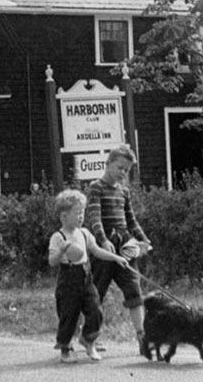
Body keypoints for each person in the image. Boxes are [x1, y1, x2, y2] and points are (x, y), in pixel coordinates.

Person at [84, 144, 153, 357]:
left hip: (125, 245)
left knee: (134, 289)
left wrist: (144, 239)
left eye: (127, 170)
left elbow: (131, 220)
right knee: (97, 294)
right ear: (108, 164)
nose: (123, 173)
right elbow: (94, 217)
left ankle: (142, 337)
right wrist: (103, 240)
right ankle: (90, 335)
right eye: (120, 168)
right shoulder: (96, 187)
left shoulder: (124, 191)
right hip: (105, 246)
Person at [47, 188, 131, 362]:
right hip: (68, 280)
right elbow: (52, 261)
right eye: (77, 213)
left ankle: (88, 341)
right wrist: (62, 249)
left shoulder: (84, 233)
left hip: (86, 278)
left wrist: (116, 258)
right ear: (64, 216)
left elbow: (97, 250)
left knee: (95, 310)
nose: (81, 217)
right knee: (69, 315)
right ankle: (65, 350)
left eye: (82, 213)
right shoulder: (58, 237)